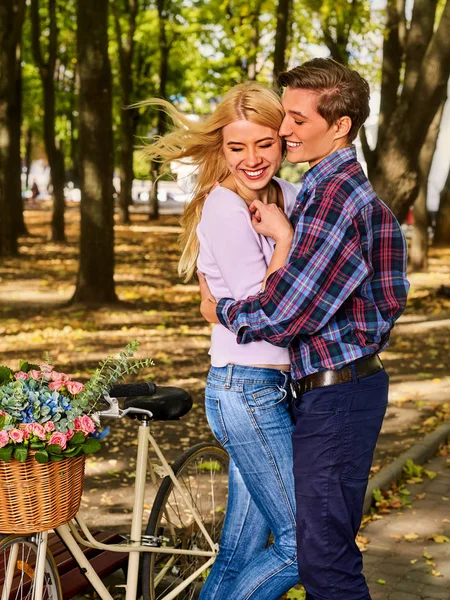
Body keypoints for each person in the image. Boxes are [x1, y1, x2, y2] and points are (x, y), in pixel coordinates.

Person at [198, 58, 410, 600]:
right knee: (305, 551)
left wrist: (221, 308)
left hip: (333, 393)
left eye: (295, 119)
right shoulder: (326, 193)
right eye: (282, 119)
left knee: (321, 557)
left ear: (339, 125)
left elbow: (286, 314)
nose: (284, 131)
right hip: (299, 387)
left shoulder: (331, 197)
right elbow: (386, 296)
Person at [142, 82, 300, 599]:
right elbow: (263, 308)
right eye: (237, 147)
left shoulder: (288, 195)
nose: (252, 159)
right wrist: (283, 241)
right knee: (304, 544)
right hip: (245, 390)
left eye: (264, 144)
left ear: (282, 141)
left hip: (273, 387)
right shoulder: (224, 208)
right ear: (221, 149)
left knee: (238, 554)